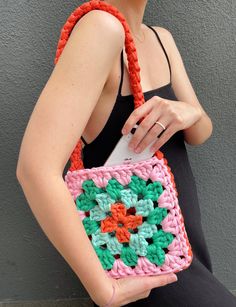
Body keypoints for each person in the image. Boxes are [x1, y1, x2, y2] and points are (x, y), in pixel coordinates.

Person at [16, 0, 236, 306]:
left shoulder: (161, 39)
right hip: (140, 258)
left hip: (182, 248)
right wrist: (105, 291)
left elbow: (199, 133)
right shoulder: (100, 29)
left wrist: (189, 113)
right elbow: (35, 169)